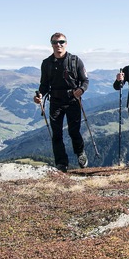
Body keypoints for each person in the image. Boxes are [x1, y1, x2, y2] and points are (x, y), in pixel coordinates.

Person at [33, 32, 89, 172]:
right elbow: (44, 85)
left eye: (61, 42)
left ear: (66, 43)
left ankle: (80, 153)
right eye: (55, 42)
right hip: (56, 101)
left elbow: (85, 81)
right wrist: (40, 95)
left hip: (73, 100)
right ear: (51, 44)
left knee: (74, 131)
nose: (58, 45)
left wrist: (81, 90)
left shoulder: (75, 61)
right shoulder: (46, 64)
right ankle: (61, 163)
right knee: (56, 133)